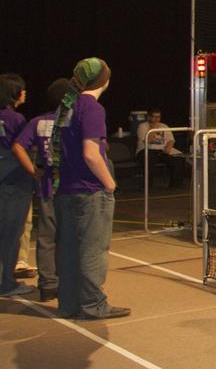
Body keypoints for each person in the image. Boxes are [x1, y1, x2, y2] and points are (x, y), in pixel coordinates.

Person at [50, 58, 129, 319]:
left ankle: (69, 304)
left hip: (66, 191)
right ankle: (93, 304)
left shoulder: (67, 107)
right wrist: (109, 183)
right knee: (93, 250)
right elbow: (92, 154)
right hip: (89, 191)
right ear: (103, 80)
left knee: (69, 249)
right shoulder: (92, 108)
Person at [12, 79, 71, 301]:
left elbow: (18, 146)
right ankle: (67, 280)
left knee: (47, 237)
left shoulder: (37, 122)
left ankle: (47, 284)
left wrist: (33, 171)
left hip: (47, 187)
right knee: (70, 237)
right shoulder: (72, 121)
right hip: (70, 188)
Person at [0, 73, 34, 297]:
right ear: (14, 93)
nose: (25, 93)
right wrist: (35, 172)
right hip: (12, 180)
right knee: (12, 232)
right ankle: (7, 282)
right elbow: (20, 148)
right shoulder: (15, 119)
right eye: (22, 89)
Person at [135, 109, 186, 188]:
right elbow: (147, 140)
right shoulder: (142, 126)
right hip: (146, 150)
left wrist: (168, 147)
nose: (156, 119)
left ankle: (175, 185)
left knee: (179, 158)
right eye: (154, 117)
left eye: (158, 117)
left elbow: (171, 140)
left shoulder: (164, 126)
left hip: (161, 150)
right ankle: (148, 186)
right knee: (149, 159)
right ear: (149, 117)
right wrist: (154, 128)